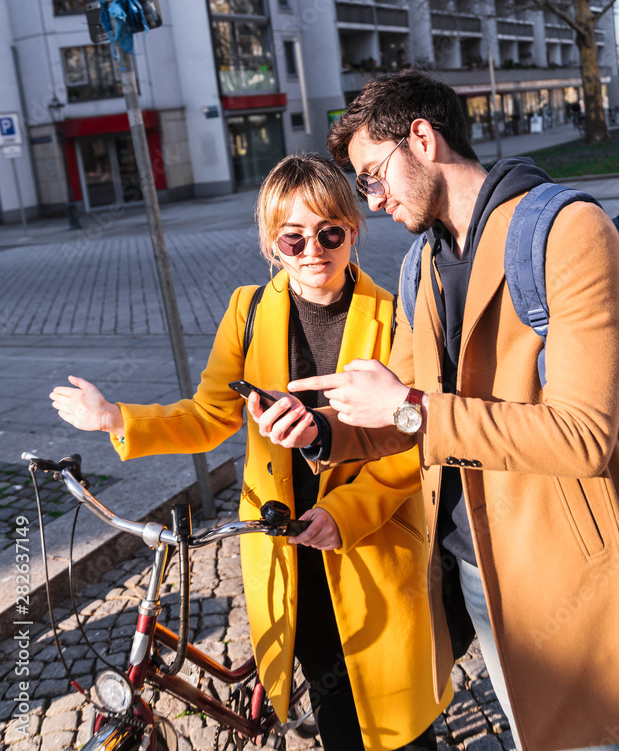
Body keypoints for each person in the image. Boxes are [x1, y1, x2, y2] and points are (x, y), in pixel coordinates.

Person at [253, 74, 619, 751]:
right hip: (467, 565)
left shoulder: (567, 231)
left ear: (423, 138)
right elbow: (403, 419)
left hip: (552, 571)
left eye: (374, 175)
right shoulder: (424, 259)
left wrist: (409, 404)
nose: (373, 199)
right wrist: (325, 429)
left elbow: (583, 436)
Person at [50, 153, 450, 751]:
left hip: (370, 542)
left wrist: (347, 513)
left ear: (352, 231)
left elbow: (409, 445)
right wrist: (115, 418)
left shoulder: (396, 317)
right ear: (271, 243)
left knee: (399, 716)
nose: (313, 249)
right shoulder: (248, 311)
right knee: (333, 697)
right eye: (293, 236)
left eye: (329, 232)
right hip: (286, 546)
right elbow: (208, 416)